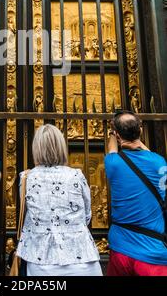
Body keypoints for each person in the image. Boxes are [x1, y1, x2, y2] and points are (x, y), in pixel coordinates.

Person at [16, 124, 102, 276]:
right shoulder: (76, 175)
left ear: (36, 149)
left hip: (40, 257)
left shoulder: (27, 177)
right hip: (81, 256)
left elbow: (27, 214)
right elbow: (87, 214)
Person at [105, 110, 167, 276]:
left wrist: (111, 133)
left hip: (120, 250)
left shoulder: (113, 163)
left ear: (117, 136)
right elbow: (148, 153)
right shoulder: (160, 162)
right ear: (140, 130)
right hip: (152, 252)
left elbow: (111, 149)